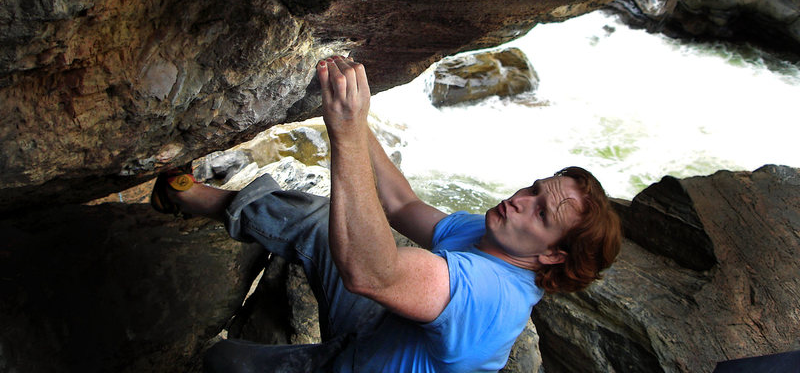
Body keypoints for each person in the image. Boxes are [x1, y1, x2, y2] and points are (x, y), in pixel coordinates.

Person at [151, 56, 622, 372]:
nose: (520, 199)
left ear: (554, 256)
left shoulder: (489, 296)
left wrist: (347, 132)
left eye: (540, 212)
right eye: (534, 189)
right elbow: (402, 205)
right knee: (320, 223)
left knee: (224, 361)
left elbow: (371, 275)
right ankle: (204, 201)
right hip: (373, 334)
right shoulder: (491, 235)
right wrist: (356, 112)